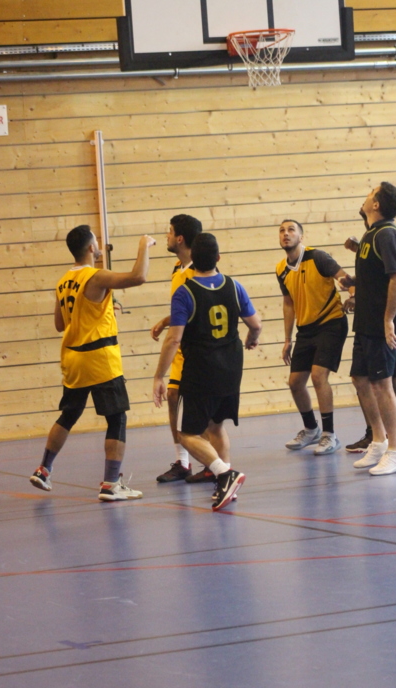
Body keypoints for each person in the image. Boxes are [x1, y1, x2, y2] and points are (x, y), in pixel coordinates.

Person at [30, 225, 155, 500]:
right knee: (116, 418)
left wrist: (100, 311)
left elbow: (60, 324)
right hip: (99, 358)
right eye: (96, 241)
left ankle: (44, 470)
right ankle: (110, 484)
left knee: (68, 415)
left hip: (73, 358)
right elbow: (139, 276)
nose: (99, 245)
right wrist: (144, 245)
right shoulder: (95, 276)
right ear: (90, 247)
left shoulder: (63, 281)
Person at [153, 232, 262, 510]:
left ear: (192, 259)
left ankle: (225, 474)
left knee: (186, 434)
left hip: (201, 370)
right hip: (231, 368)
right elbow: (256, 324)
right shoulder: (234, 286)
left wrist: (158, 376)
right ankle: (226, 486)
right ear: (218, 258)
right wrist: (251, 339)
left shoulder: (185, 292)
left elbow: (174, 339)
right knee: (216, 425)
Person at [339, 182, 396, 475]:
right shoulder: (371, 234)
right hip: (367, 319)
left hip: (382, 320)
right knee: (360, 378)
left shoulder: (388, 234)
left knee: (382, 383)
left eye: (371, 192)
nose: (367, 195)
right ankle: (378, 441)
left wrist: (388, 319)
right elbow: (376, 275)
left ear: (377, 204)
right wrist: (354, 283)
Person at [150, 214, 215, 485]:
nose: (166, 236)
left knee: (206, 415)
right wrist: (166, 321)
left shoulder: (201, 272)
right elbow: (183, 310)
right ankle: (184, 462)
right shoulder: (178, 267)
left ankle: (216, 465)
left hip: (196, 351)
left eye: (169, 232)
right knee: (174, 397)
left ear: (179, 238)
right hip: (181, 349)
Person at [276, 219, 350, 455]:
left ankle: (329, 435)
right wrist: (287, 339)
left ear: (301, 236)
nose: (286, 234)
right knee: (295, 382)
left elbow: (345, 278)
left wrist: (353, 294)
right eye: (282, 230)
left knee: (318, 376)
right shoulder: (281, 269)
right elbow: (288, 303)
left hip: (331, 322)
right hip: (306, 330)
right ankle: (311, 430)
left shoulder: (318, 257)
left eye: (291, 230)